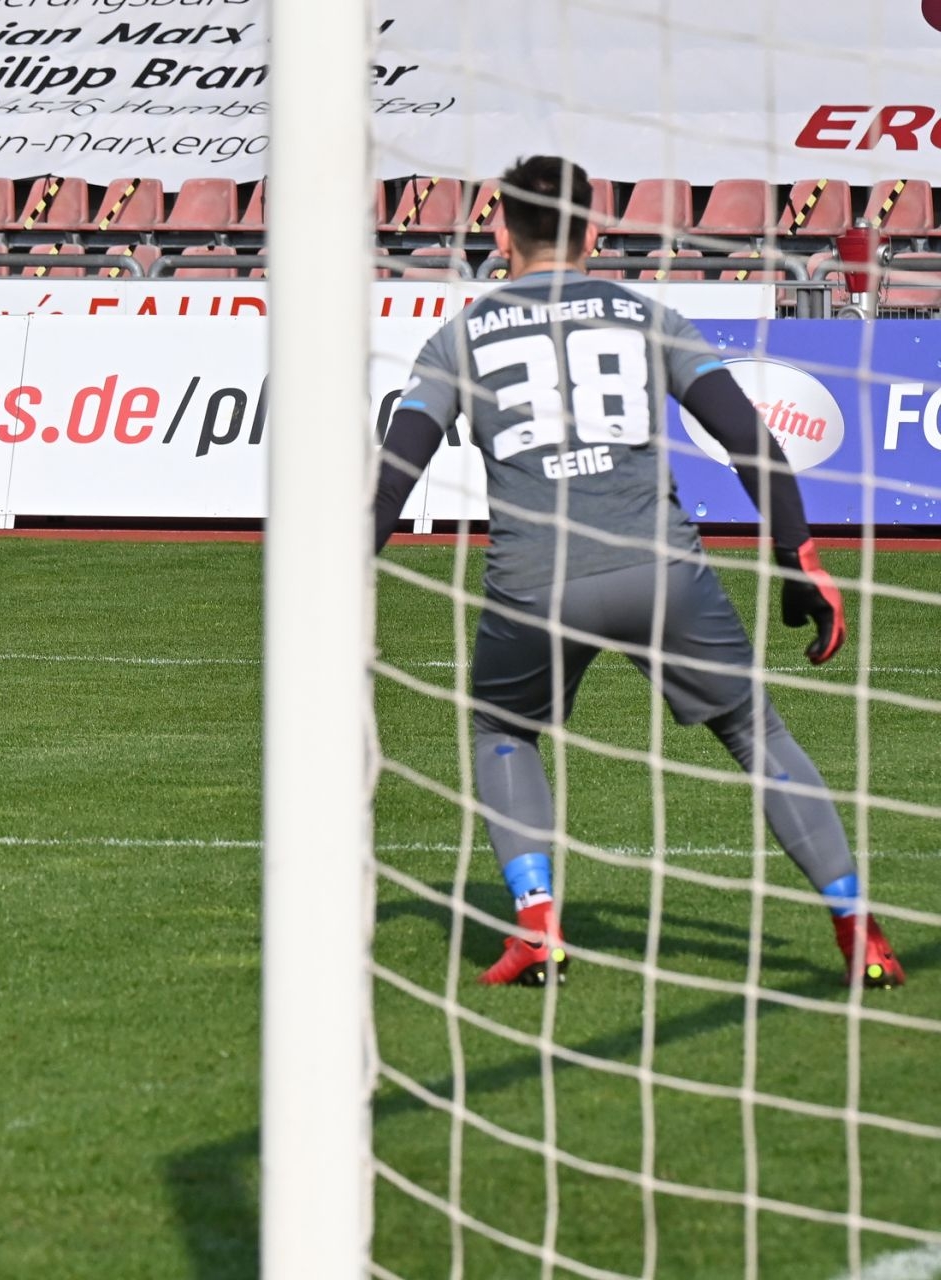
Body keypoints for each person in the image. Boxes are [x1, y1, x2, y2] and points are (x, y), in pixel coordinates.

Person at [372, 154, 904, 989]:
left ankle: (537, 926)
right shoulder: (647, 314)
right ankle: (859, 932)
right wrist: (798, 559)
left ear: (500, 231)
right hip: (660, 568)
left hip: (536, 579)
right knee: (755, 733)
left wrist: (340, 589)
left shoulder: (459, 336)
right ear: (593, 232)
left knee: (503, 733)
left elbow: (393, 477)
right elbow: (749, 439)